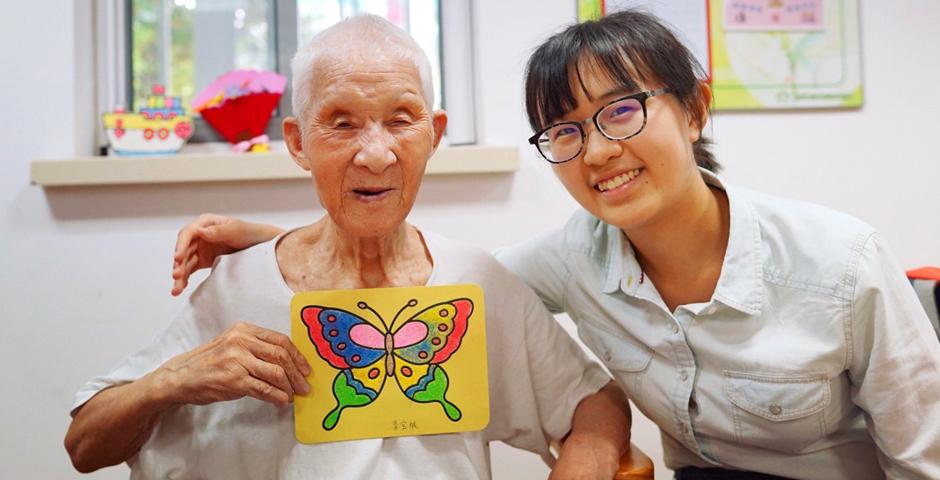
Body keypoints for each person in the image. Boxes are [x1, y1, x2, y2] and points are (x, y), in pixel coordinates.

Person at [169, 10, 940, 480]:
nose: (598, 151)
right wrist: (277, 240)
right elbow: (437, 286)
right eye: (565, 130)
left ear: (696, 109)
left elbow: (923, 457)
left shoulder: (841, 264)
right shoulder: (574, 260)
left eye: (622, 112)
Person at [65, 15, 632, 480]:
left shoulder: (474, 282)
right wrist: (176, 377)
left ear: (434, 135)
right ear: (298, 141)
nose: (376, 154)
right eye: (341, 123)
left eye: (401, 120)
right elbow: (84, 444)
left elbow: (595, 402)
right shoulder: (239, 286)